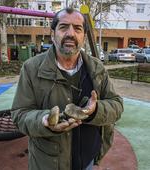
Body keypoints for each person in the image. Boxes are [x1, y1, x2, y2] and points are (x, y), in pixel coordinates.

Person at [11, 7, 123, 170]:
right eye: (63, 27)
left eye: (77, 28)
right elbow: (19, 114)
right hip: (49, 163)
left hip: (88, 160)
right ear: (52, 34)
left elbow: (117, 105)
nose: (70, 33)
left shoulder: (97, 68)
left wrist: (95, 110)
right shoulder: (31, 68)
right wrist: (44, 121)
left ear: (83, 36)